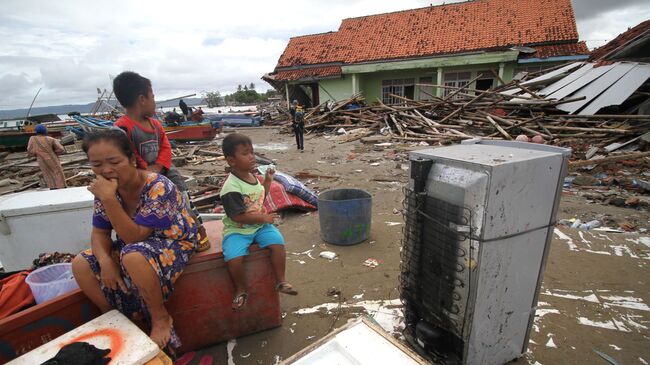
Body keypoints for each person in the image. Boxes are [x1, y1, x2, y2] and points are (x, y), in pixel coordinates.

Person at [71, 128, 197, 349]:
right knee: (81, 264)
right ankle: (115, 317)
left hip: (174, 241)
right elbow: (99, 233)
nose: (106, 170)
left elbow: (135, 236)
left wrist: (109, 199)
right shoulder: (107, 190)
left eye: (114, 162)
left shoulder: (158, 186)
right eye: (97, 165)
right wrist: (105, 261)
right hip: (136, 245)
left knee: (133, 256)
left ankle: (160, 318)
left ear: (131, 159)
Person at [112, 71, 210, 252]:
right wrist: (147, 170)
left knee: (184, 198)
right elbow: (128, 153)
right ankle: (161, 239)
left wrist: (158, 167)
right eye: (153, 97)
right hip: (140, 176)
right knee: (148, 207)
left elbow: (165, 146)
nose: (154, 102)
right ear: (142, 99)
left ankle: (198, 230)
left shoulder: (155, 124)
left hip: (164, 169)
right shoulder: (122, 128)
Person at [220, 133, 297, 310]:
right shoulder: (230, 187)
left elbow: (259, 197)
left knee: (277, 243)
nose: (252, 157)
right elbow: (237, 216)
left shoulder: (252, 177)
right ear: (232, 161)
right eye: (246, 153)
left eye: (252, 152)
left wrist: (268, 181)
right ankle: (240, 289)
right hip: (238, 229)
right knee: (233, 258)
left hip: (259, 226)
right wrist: (263, 217)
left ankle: (281, 281)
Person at [26, 124, 67, 189]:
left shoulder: (32, 139)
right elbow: (61, 149)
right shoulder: (51, 139)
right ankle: (61, 186)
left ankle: (52, 187)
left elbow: (29, 150)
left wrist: (36, 154)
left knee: (47, 173)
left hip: (40, 159)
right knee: (57, 172)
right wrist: (55, 153)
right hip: (52, 157)